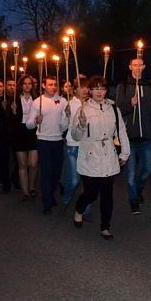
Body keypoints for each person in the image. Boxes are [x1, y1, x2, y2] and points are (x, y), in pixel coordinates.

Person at [71, 76, 129, 240]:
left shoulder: (113, 109)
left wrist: (125, 153)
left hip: (108, 154)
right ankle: (79, 209)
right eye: (95, 88)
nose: (99, 92)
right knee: (91, 193)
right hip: (90, 155)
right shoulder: (83, 109)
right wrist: (81, 125)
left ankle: (105, 227)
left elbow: (121, 131)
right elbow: (75, 136)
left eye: (102, 88)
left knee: (107, 194)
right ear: (89, 91)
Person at [116, 56, 151, 215]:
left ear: (144, 67)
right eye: (135, 65)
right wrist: (129, 105)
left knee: (148, 168)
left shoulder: (148, 86)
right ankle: (133, 199)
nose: (138, 67)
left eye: (140, 65)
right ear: (130, 67)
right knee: (131, 173)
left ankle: (138, 189)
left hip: (145, 136)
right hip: (129, 138)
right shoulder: (123, 86)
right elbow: (118, 110)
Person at [26, 75, 70, 214]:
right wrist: (36, 121)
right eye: (50, 84)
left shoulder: (62, 101)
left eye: (55, 84)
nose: (53, 87)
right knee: (46, 171)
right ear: (43, 86)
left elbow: (64, 127)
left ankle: (50, 195)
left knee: (56, 173)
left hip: (58, 141)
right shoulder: (37, 102)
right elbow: (28, 125)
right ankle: (46, 203)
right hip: (43, 141)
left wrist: (67, 116)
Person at [63, 76, 89, 209]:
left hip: (88, 146)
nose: (85, 90)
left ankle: (85, 207)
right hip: (73, 145)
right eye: (81, 87)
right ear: (74, 90)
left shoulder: (91, 104)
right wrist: (66, 115)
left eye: (86, 87)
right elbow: (62, 127)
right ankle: (66, 198)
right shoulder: (69, 104)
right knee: (74, 180)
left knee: (87, 180)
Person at [0, 79, 19, 194]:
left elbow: (21, 118)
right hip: (3, 134)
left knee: (19, 159)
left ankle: (15, 178)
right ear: (5, 87)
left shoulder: (19, 100)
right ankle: (5, 183)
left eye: (13, 85)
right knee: (4, 159)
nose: (11, 87)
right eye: (9, 85)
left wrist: (15, 111)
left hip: (16, 134)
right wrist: (2, 109)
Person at [12, 75, 39, 200]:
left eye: (30, 83)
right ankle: (25, 192)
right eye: (25, 83)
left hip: (33, 131)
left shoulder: (37, 99)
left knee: (33, 164)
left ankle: (32, 186)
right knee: (22, 164)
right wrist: (12, 111)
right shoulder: (14, 99)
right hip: (19, 132)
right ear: (21, 85)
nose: (27, 86)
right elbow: (9, 119)